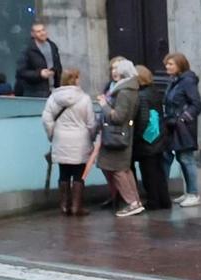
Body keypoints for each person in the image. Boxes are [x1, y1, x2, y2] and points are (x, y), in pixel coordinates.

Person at [42, 68, 94, 216]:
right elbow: (91, 123)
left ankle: (64, 205)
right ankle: (76, 206)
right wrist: (91, 137)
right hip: (80, 140)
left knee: (63, 172)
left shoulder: (53, 98)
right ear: (76, 80)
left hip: (60, 139)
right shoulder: (85, 98)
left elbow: (46, 120)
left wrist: (53, 134)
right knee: (78, 174)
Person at [98, 58, 146, 218]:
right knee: (124, 170)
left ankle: (132, 202)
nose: (114, 72)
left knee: (118, 170)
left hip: (117, 136)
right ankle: (135, 201)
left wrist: (104, 105)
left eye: (117, 69)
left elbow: (117, 117)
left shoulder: (124, 92)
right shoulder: (130, 89)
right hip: (123, 135)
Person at [162, 53, 201, 207]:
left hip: (183, 127)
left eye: (171, 64)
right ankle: (188, 192)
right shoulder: (174, 81)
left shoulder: (187, 82)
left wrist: (183, 118)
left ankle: (193, 193)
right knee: (179, 158)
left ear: (180, 65)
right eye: (167, 64)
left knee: (186, 158)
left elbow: (196, 104)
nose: (167, 67)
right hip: (172, 125)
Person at [133, 65, 174, 211]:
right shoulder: (154, 92)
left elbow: (143, 119)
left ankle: (154, 201)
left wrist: (137, 136)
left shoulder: (142, 95)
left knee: (149, 174)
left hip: (147, 140)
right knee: (159, 172)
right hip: (158, 138)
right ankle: (164, 200)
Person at [16, 21, 60, 98]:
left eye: (43, 30)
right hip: (35, 92)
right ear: (33, 34)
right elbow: (21, 71)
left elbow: (57, 64)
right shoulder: (27, 49)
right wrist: (39, 74)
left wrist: (55, 71)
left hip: (53, 89)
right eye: (38, 31)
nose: (42, 33)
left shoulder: (52, 46)